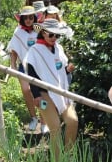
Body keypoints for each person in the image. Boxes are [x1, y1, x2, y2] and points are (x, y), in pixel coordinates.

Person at [24, 19, 78, 160]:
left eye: (57, 35)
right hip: (43, 94)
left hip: (61, 93)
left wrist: (68, 70)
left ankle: (67, 154)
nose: (54, 38)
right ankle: (57, 158)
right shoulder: (35, 51)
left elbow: (60, 72)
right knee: (55, 128)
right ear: (43, 32)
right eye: (51, 35)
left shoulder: (59, 49)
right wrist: (36, 96)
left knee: (73, 121)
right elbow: (31, 75)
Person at [7, 6, 49, 134]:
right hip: (24, 66)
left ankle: (44, 122)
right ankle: (33, 118)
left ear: (35, 18)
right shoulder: (18, 32)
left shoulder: (39, 30)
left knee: (42, 95)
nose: (29, 20)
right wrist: (12, 64)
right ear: (22, 19)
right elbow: (14, 49)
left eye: (31, 17)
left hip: (39, 66)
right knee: (26, 90)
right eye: (26, 18)